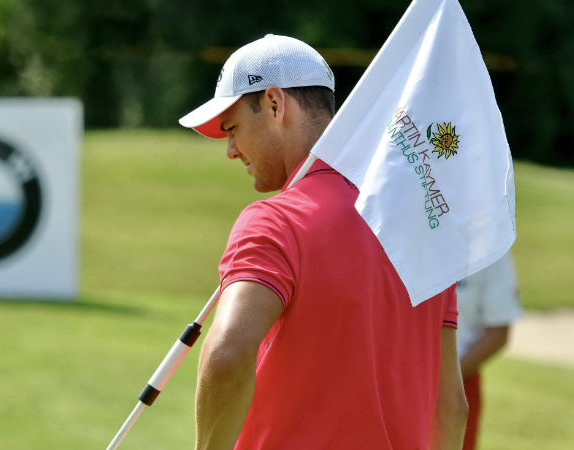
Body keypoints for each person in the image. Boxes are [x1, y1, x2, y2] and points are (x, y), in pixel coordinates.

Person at [179, 34, 468, 449]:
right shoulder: (422, 231)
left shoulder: (274, 222)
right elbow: (451, 409)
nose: (230, 149)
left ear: (275, 105)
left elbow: (227, 356)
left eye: (232, 128)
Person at [455, 250, 523, 450]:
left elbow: (498, 332)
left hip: (459, 383)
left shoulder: (491, 245)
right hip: (391, 383)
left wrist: (443, 380)